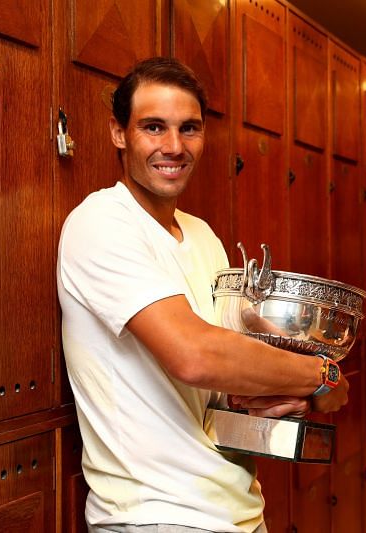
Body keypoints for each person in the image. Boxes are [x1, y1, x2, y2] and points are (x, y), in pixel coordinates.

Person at [57, 57, 349, 533]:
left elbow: (241, 365)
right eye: (154, 127)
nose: (174, 147)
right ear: (118, 133)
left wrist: (294, 394)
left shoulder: (202, 237)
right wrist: (321, 374)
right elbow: (195, 356)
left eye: (188, 129)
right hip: (156, 517)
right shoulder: (101, 223)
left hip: (236, 511)